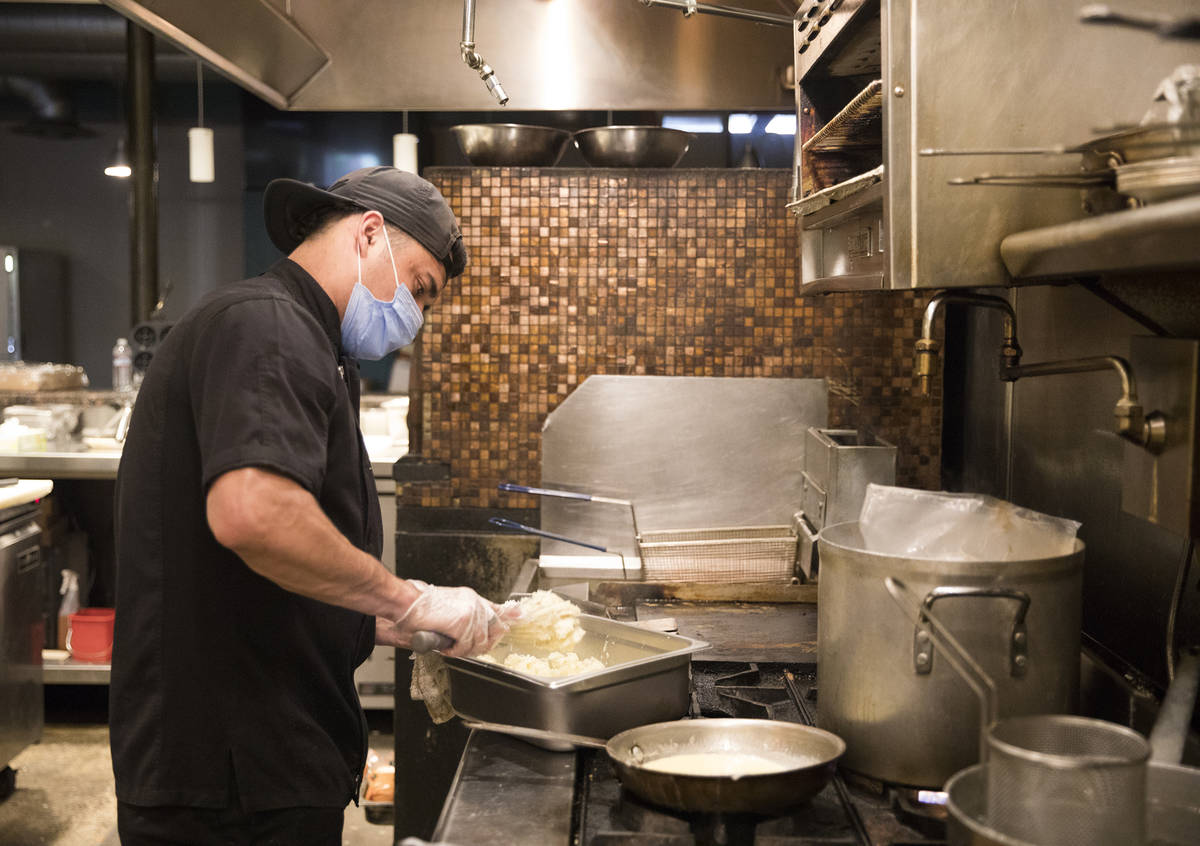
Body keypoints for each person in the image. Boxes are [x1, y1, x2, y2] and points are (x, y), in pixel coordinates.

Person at [110, 166, 512, 845]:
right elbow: (254, 514)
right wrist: (404, 600)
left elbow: (278, 579)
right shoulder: (268, 325)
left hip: (262, 755)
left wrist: (410, 621)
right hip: (231, 774)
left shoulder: (310, 343)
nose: (414, 320)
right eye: (419, 289)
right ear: (370, 233)